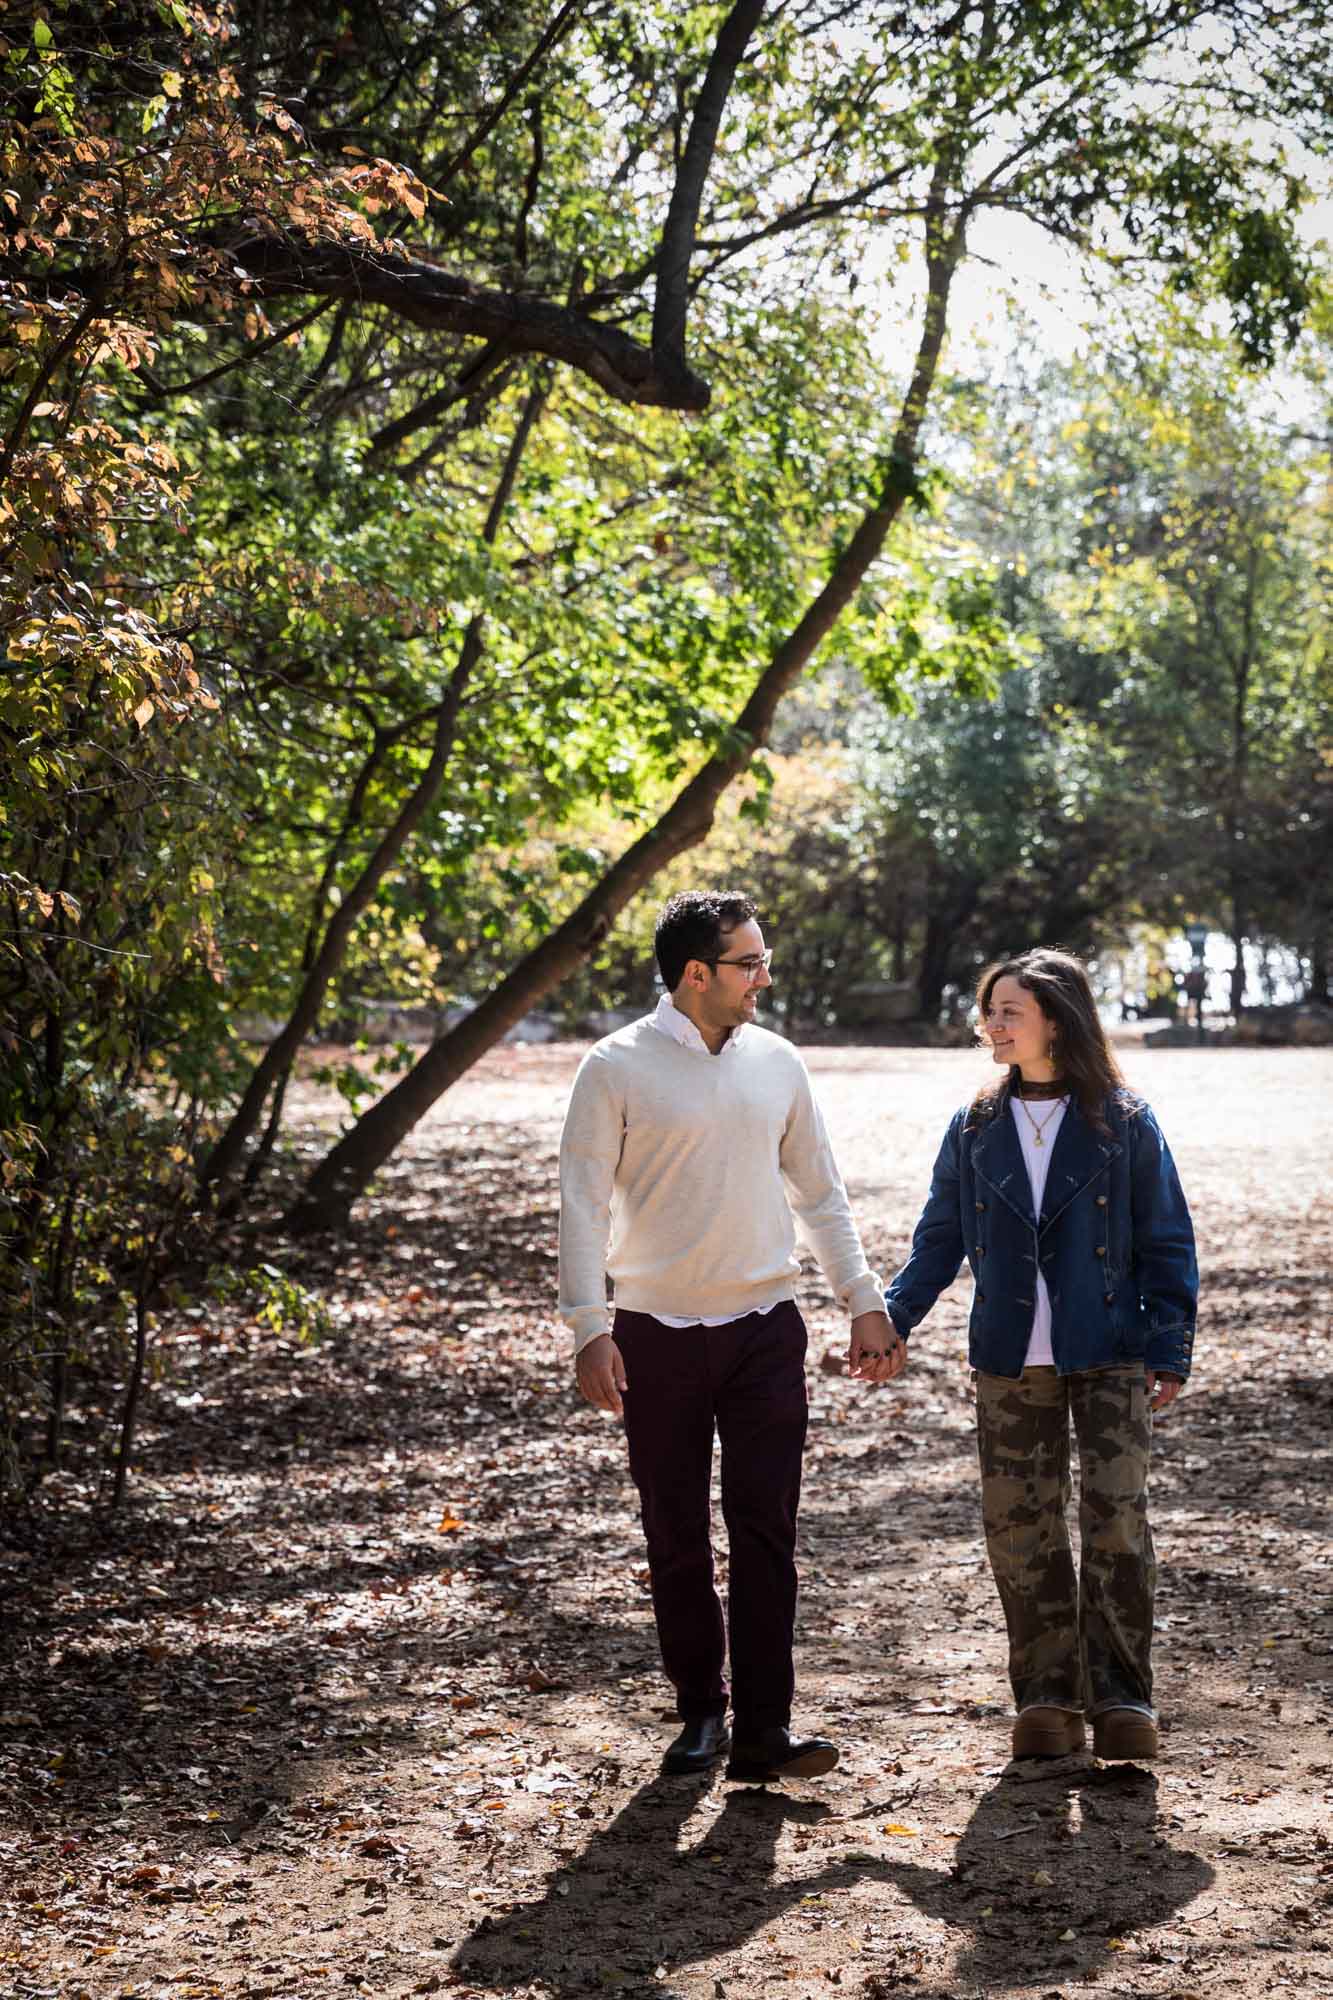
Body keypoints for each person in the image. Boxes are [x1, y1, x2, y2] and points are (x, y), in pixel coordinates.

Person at [559, 889, 906, 1782]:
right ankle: (700, 1715)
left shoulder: (778, 1063)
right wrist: (588, 1327)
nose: (764, 976)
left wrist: (861, 1300)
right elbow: (581, 1203)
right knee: (673, 1532)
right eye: (748, 962)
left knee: (765, 1531)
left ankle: (763, 1726)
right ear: (695, 974)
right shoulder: (614, 1066)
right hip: (653, 1334)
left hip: (764, 1331)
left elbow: (818, 1193)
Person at [884, 947, 1197, 1762]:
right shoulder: (975, 1126)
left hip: (1111, 1352)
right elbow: (939, 1238)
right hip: (1005, 1358)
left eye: (1007, 1011)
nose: (990, 1024)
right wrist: (890, 1318)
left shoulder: (1124, 1120)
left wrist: (1169, 1347)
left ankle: (1124, 1701)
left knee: (1117, 1526)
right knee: (1018, 1530)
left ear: (1055, 1019)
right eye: (987, 1010)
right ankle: (1047, 1700)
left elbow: (1166, 1240)